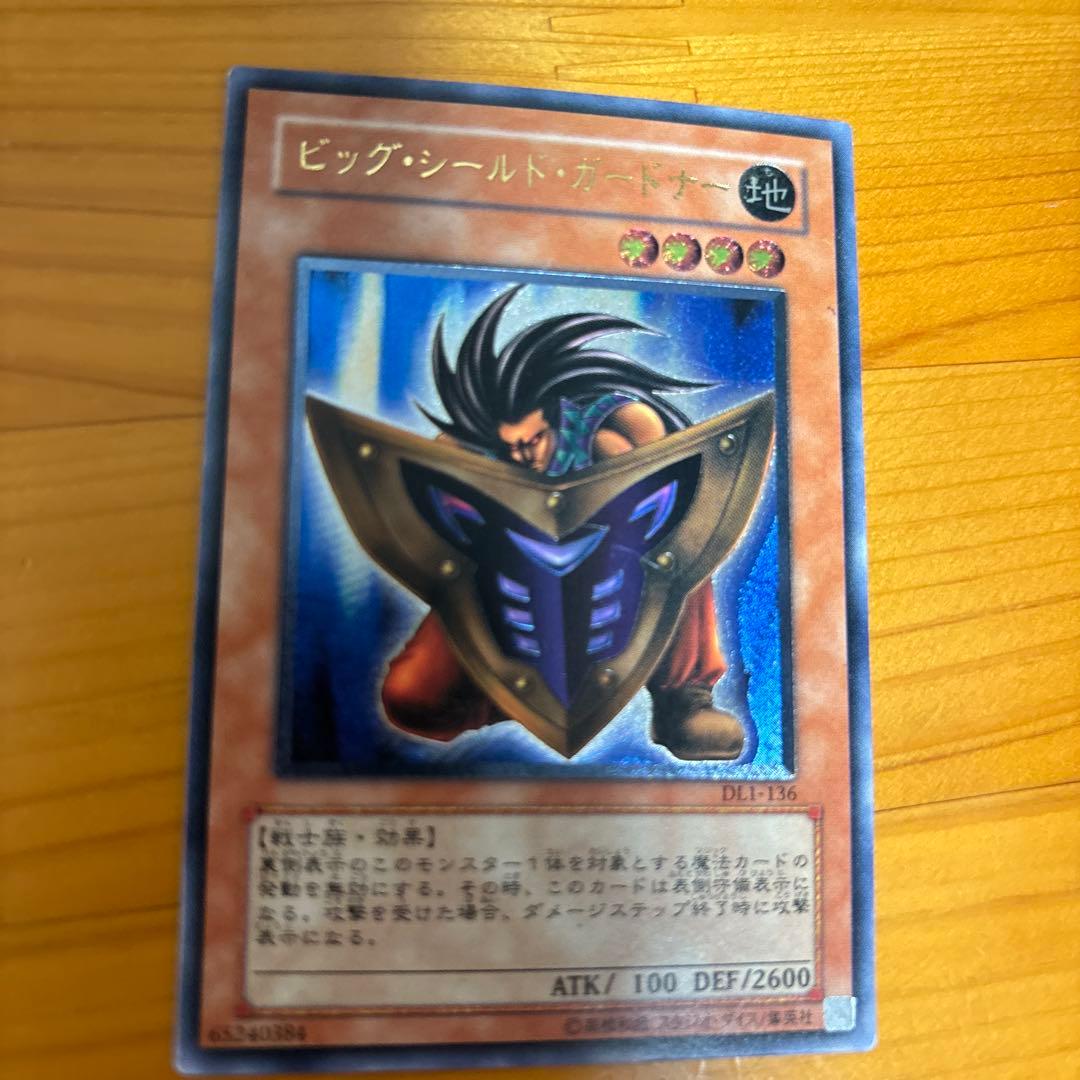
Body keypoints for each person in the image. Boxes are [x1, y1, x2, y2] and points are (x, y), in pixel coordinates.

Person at [381, 286, 744, 760]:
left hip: (615, 568)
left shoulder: (613, 431)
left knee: (685, 537)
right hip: (510, 583)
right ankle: (512, 697)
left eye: (531, 441)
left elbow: (667, 494)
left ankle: (684, 699)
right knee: (413, 701)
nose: (520, 455)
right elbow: (430, 506)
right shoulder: (471, 443)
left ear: (554, 418)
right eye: (509, 446)